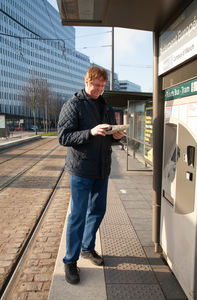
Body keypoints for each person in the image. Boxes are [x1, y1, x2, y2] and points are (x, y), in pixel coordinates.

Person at [58, 66, 124, 284]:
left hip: (101, 169)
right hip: (81, 169)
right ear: (87, 82)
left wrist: (116, 136)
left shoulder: (106, 106)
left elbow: (107, 137)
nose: (98, 90)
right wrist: (90, 132)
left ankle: (87, 248)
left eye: (102, 86)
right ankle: (70, 260)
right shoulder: (73, 105)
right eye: (96, 85)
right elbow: (64, 137)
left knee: (97, 210)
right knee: (78, 214)